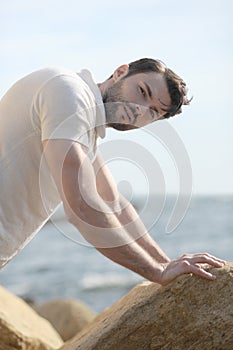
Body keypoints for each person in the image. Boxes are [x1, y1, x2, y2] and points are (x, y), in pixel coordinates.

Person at [0, 58, 225, 284]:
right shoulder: (69, 94)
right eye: (142, 91)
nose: (141, 110)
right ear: (120, 72)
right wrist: (157, 272)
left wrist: (165, 263)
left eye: (154, 112)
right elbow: (82, 207)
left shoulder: (85, 125)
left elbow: (115, 203)